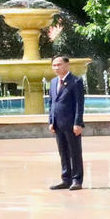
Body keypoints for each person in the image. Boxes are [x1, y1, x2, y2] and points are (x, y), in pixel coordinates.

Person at [48, 55, 85, 191]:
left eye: (59, 64)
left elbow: (79, 104)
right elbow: (51, 103)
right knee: (63, 152)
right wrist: (51, 121)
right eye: (54, 65)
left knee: (75, 152)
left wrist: (78, 123)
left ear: (67, 65)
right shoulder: (53, 82)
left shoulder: (76, 81)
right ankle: (66, 179)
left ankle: (77, 180)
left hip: (71, 124)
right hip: (58, 124)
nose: (56, 67)